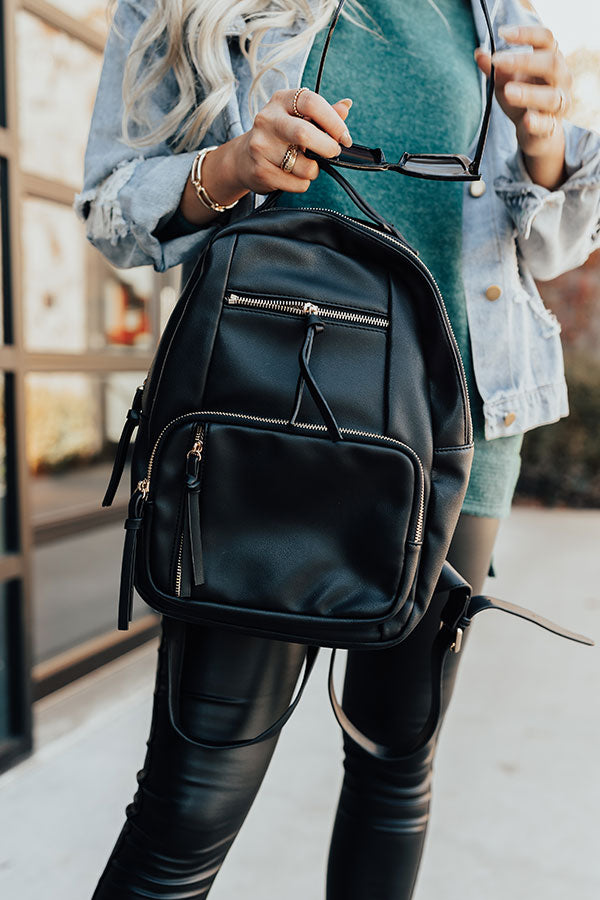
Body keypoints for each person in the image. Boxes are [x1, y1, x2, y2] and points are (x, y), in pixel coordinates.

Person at [75, 0, 600, 897]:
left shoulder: (495, 9)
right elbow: (111, 207)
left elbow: (551, 245)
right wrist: (232, 169)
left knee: (394, 773)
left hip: (459, 440)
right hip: (265, 428)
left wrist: (548, 150)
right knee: (190, 810)